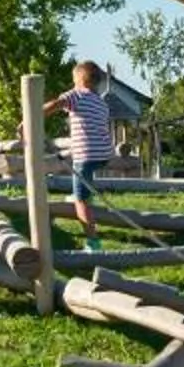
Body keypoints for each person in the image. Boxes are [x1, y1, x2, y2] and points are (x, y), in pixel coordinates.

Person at [46, 59, 115, 248]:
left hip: (86, 156)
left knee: (80, 201)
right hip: (103, 154)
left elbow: (56, 104)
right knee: (84, 175)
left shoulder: (76, 95)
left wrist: (33, 115)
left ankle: (93, 242)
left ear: (81, 80)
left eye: (74, 80)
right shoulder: (101, 104)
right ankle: (84, 193)